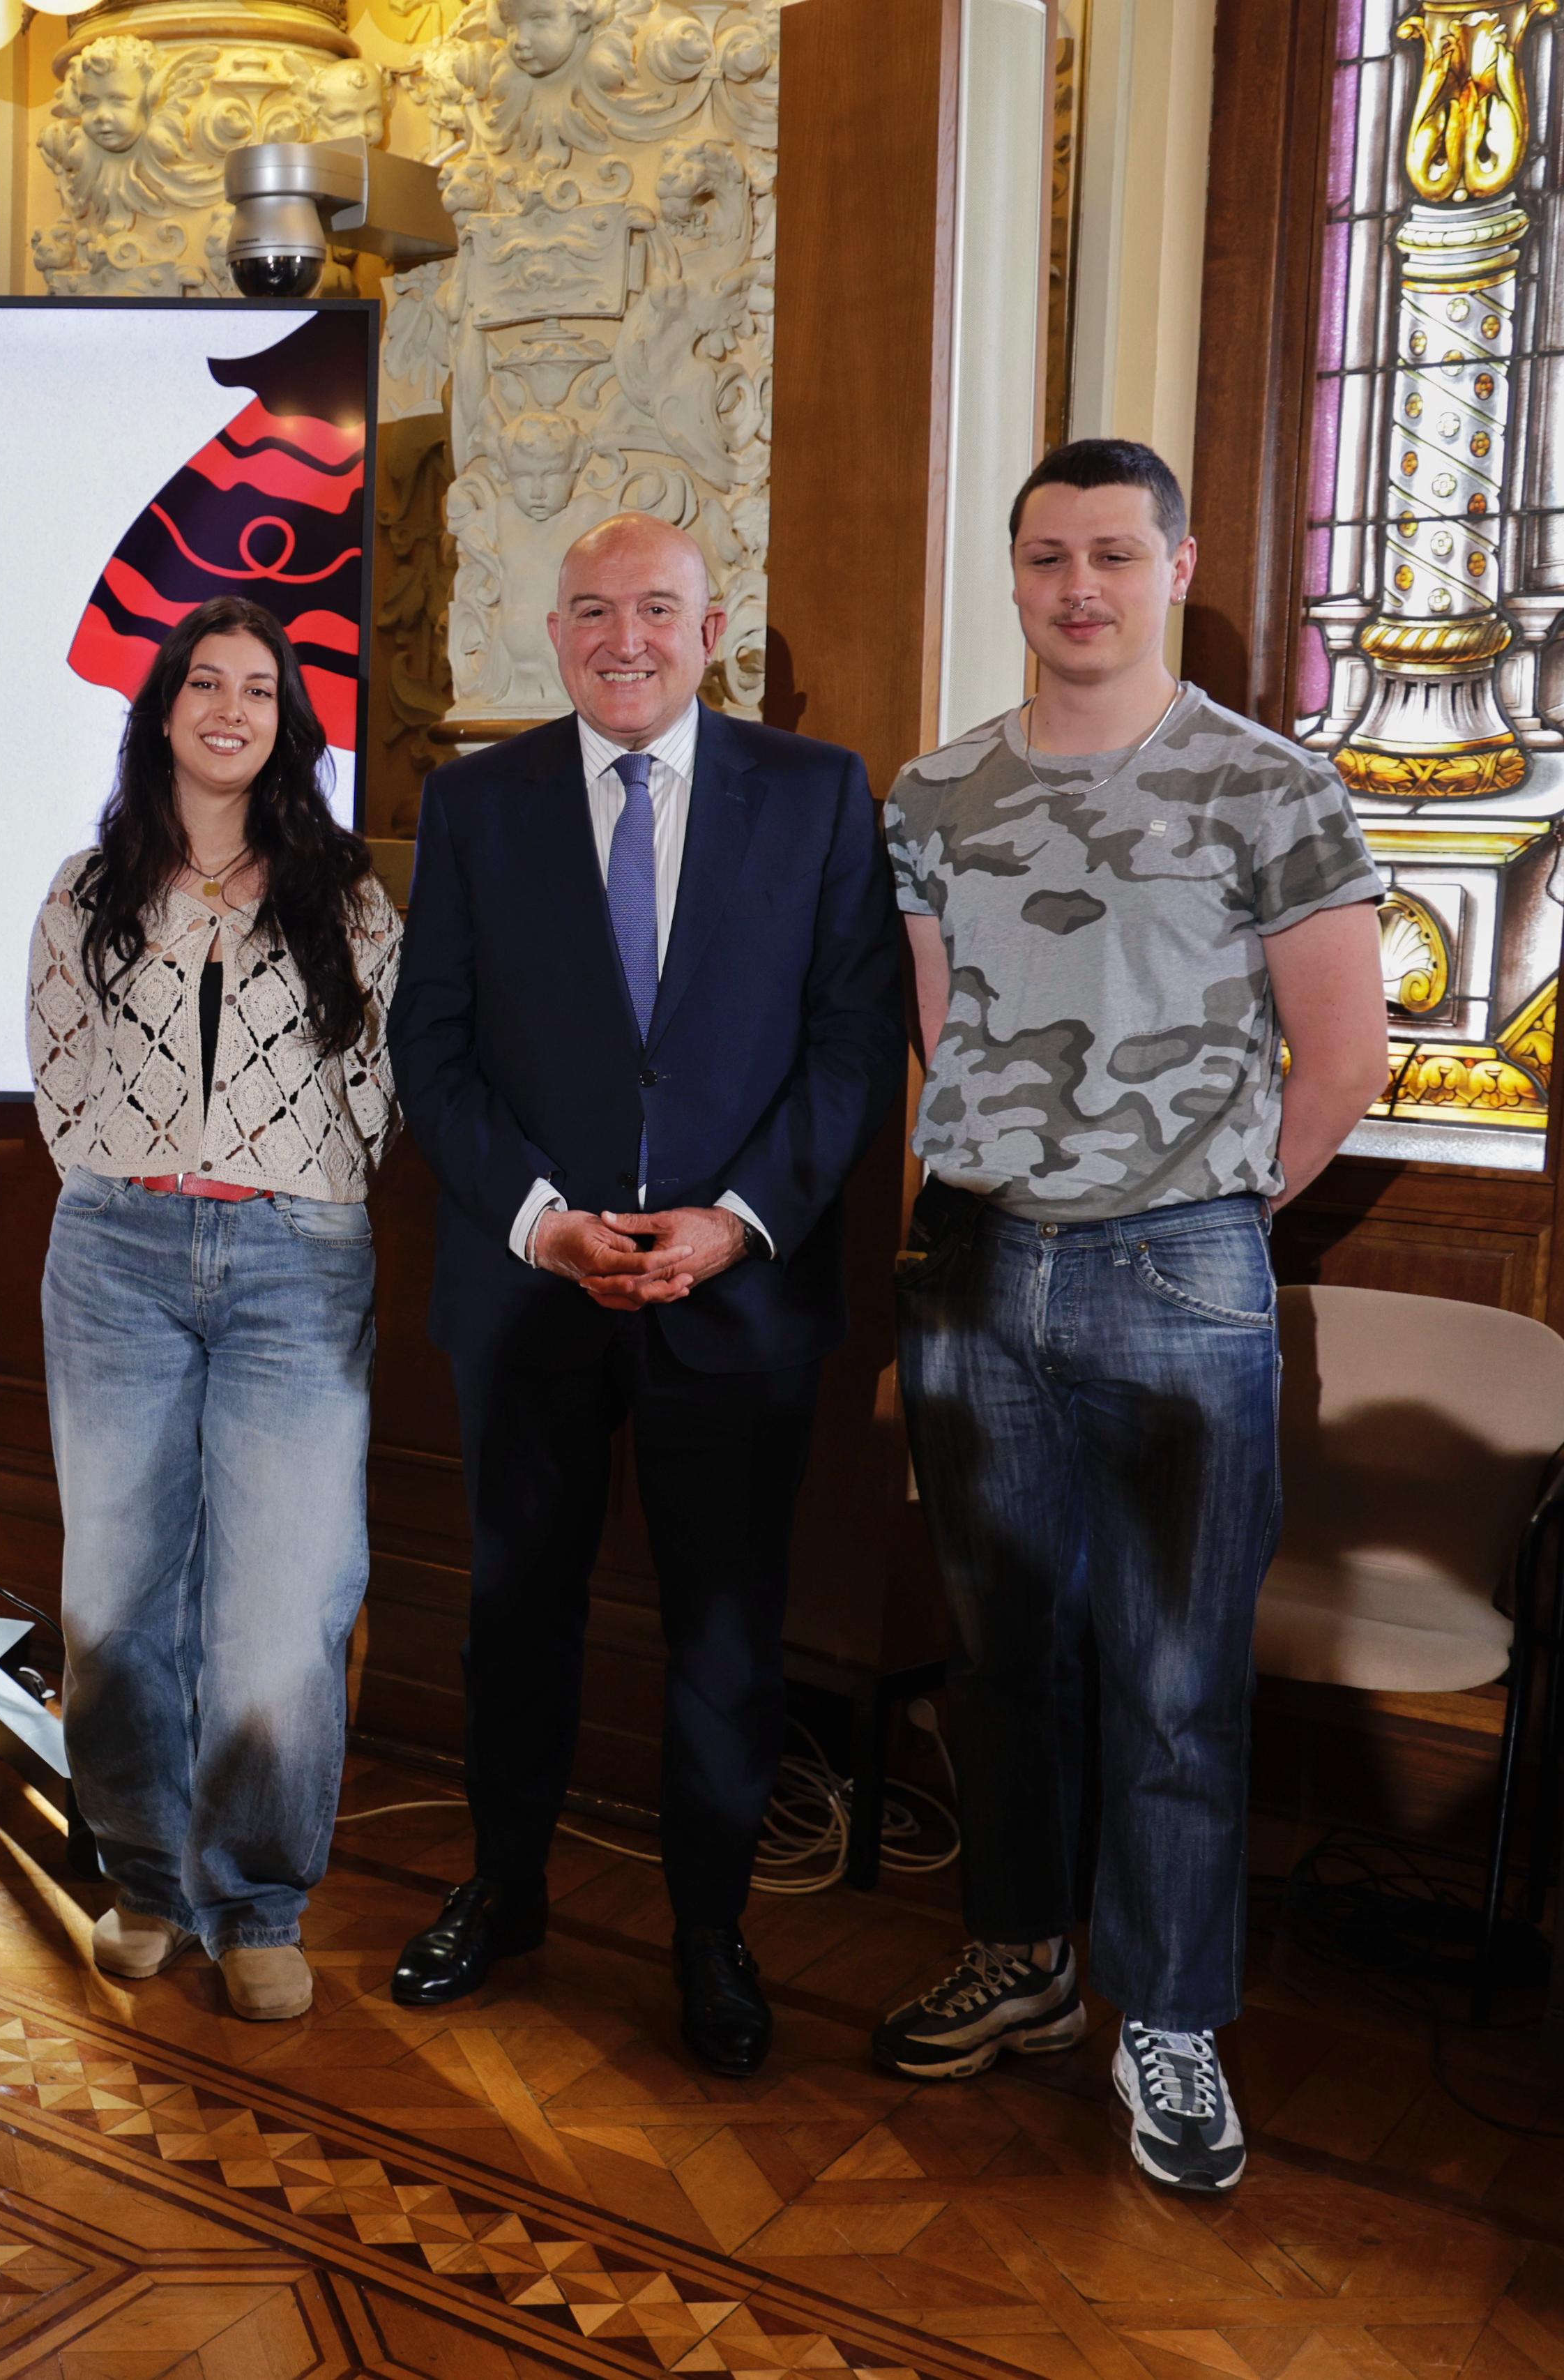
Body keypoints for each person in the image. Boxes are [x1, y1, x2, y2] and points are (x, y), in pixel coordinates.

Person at [874, 439, 1387, 2195]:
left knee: (1172, 1676)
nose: (1075, 586)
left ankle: (1166, 2015)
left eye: (1110, 553)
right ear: (1013, 574)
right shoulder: (934, 793)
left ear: (1174, 566)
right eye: (1045, 556)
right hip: (972, 1266)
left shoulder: (1270, 785)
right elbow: (942, 1037)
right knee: (996, 1648)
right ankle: (1020, 1948)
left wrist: (1203, 1209)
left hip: (1180, 1272)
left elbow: (1342, 1057)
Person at [386, 513, 900, 2075]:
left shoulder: (817, 794)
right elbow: (432, 1047)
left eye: (658, 608)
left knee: (725, 1637)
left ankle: (710, 1935)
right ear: (553, 632)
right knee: (513, 1613)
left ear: (711, 629)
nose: (626, 637)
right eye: (595, 610)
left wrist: (737, 1224)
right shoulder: (474, 803)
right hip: (529, 1292)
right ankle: (505, 1886)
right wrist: (540, 1221)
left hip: (736, 1300)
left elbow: (851, 1044)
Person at [27, 593, 405, 2024]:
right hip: (115, 1253)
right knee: (113, 1600)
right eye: (205, 681)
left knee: (283, 1605)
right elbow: (57, 1067)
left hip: (294, 1262)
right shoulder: (88, 887)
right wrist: (136, 1174)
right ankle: (146, 1880)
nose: (230, 707)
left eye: (258, 687)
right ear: (165, 709)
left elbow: (378, 1083)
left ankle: (257, 1899)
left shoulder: (345, 893)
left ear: (286, 721)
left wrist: (296, 1186)